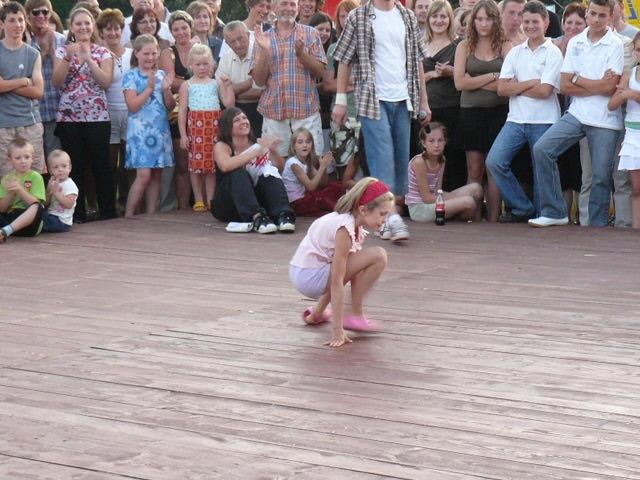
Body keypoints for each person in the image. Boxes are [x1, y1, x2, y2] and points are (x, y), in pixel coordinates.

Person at [331, 0, 431, 241]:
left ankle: (382, 218)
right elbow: (344, 59)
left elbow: (417, 61)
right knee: (382, 158)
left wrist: (424, 101)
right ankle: (392, 218)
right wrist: (341, 100)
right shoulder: (358, 16)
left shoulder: (407, 17)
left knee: (399, 162)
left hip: (404, 99)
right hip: (372, 100)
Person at [530, 0, 623, 228]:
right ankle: (554, 211)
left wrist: (578, 78)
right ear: (587, 13)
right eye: (593, 14)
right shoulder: (575, 42)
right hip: (576, 114)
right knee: (542, 149)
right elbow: (565, 85)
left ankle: (597, 226)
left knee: (600, 177)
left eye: (602, 15)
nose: (597, 19)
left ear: (610, 17)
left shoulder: (616, 44)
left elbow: (609, 88)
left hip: (605, 120)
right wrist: (597, 84)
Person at [289, 177, 393, 348]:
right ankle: (353, 316)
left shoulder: (350, 222)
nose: (384, 219)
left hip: (303, 271)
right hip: (309, 276)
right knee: (378, 256)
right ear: (363, 209)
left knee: (351, 266)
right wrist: (337, 330)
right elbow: (337, 282)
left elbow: (344, 274)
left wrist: (316, 314)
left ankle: (320, 314)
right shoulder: (344, 229)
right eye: (382, 214)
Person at [485, 0, 563, 223]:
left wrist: (517, 87)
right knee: (495, 161)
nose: (530, 26)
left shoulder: (553, 53)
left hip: (545, 120)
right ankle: (524, 207)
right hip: (516, 120)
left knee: (541, 170)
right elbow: (502, 89)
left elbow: (545, 91)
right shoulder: (515, 52)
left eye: (535, 21)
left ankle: (544, 214)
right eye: (526, 21)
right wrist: (531, 82)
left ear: (546, 22)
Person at [52, 7, 115, 223]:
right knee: (75, 166)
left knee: (101, 165)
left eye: (87, 23)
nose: (83, 27)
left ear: (93, 25)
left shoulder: (102, 52)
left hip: (97, 117)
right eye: (78, 23)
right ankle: (76, 214)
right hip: (69, 118)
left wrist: (89, 59)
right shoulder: (62, 51)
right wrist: (69, 58)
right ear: (71, 27)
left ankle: (107, 212)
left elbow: (105, 82)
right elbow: (57, 82)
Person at [453, 0, 511, 222]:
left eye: (488, 18)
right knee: (475, 170)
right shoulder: (464, 46)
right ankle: (474, 218)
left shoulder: (505, 46)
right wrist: (493, 76)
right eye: (479, 19)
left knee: (494, 167)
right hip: (471, 113)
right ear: (473, 21)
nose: (483, 23)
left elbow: (507, 85)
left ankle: (494, 219)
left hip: (499, 112)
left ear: (496, 20)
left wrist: (474, 81)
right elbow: (459, 83)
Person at [251, 0, 327, 157]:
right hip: (274, 111)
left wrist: (302, 55)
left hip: (306, 111)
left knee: (312, 162)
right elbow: (258, 80)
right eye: (284, 4)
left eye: (292, 4)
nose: (289, 8)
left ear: (297, 8)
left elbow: (320, 72)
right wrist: (265, 51)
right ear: (274, 7)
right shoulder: (263, 37)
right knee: (276, 164)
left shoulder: (310, 33)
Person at [212, 107, 296, 233]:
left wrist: (272, 150)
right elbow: (225, 165)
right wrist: (255, 152)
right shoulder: (222, 145)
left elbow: (280, 168)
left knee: (269, 173)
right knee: (238, 172)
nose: (243, 121)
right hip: (229, 204)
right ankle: (257, 217)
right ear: (228, 126)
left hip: (256, 200)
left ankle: (283, 214)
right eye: (237, 120)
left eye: (244, 118)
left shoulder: (258, 143)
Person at [123, 34, 176, 218]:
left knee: (156, 174)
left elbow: (170, 106)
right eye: (146, 53)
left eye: (154, 53)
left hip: (160, 130)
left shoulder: (161, 75)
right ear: (137, 53)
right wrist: (149, 89)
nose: (150, 57)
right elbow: (132, 105)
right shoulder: (131, 75)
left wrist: (166, 89)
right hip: (140, 132)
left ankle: (151, 215)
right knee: (144, 174)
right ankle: (129, 214)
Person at [178, 44, 234, 212]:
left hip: (213, 129)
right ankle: (198, 199)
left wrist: (228, 87)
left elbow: (228, 104)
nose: (202, 68)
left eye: (205, 64)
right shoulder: (187, 85)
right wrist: (183, 135)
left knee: (211, 166)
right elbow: (182, 111)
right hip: (195, 129)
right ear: (191, 65)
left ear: (211, 64)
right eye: (198, 64)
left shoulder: (216, 83)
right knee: (195, 166)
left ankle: (211, 199)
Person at [421, 0, 465, 191]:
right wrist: (430, 75)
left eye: (443, 16)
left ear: (450, 19)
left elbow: (466, 75)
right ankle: (425, 197)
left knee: (452, 157)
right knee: (425, 156)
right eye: (435, 16)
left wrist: (450, 71)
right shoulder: (421, 44)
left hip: (452, 108)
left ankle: (453, 198)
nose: (439, 21)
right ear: (428, 19)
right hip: (426, 109)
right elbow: (411, 77)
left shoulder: (459, 45)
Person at [0, 2, 45, 178]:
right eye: (12, 20)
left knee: (33, 176)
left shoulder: (33, 54)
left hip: (30, 124)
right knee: (7, 178)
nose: (17, 25)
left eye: (21, 20)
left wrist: (6, 84)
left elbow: (38, 92)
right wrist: (24, 81)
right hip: (3, 125)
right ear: (2, 24)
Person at [406, 122, 483, 222]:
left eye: (440, 140)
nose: (436, 145)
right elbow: (427, 198)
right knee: (469, 202)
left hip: (434, 201)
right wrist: (455, 199)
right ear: (424, 143)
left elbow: (438, 190)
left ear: (445, 142)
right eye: (431, 141)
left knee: (476, 188)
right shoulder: (419, 162)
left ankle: (470, 219)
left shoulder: (442, 159)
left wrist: (453, 199)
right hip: (420, 209)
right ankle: (453, 218)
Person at [159, 10, 196, 211]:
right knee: (182, 164)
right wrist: (196, 82)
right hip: (176, 113)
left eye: (184, 28)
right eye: (176, 29)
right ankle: (183, 208)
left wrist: (185, 83)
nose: (181, 32)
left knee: (200, 162)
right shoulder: (168, 53)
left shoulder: (200, 49)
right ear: (171, 32)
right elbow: (170, 81)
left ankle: (201, 202)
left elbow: (209, 74)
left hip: (200, 112)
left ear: (190, 28)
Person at [98, 8, 133, 213]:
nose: (113, 33)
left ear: (122, 30)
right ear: (101, 32)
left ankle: (127, 202)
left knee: (128, 162)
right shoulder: (99, 54)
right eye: (108, 29)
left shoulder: (131, 54)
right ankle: (109, 205)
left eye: (116, 28)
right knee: (110, 162)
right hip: (108, 112)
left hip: (130, 112)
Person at [25, 0, 66, 159]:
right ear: (28, 15)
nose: (41, 16)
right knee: (32, 161)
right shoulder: (25, 41)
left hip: (58, 110)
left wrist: (52, 52)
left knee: (56, 161)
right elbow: (25, 75)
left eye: (45, 11)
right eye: (36, 12)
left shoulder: (62, 40)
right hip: (32, 113)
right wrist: (44, 52)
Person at [609, 31, 640, 227]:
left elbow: (631, 95)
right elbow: (612, 105)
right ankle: (636, 228)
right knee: (636, 188)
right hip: (633, 135)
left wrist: (632, 94)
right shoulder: (629, 74)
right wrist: (623, 94)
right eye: (639, 49)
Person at [282, 127, 346, 216]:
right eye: (300, 142)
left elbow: (323, 183)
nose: (305, 145)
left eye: (308, 142)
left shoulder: (307, 160)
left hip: (305, 197)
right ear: (294, 147)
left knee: (337, 186)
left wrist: (324, 167)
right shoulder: (293, 163)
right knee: (324, 198)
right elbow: (311, 186)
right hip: (296, 203)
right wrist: (322, 167)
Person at [217, 22, 264, 135]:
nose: (238, 45)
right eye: (232, 41)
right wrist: (250, 82)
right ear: (227, 43)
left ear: (248, 35)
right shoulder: (226, 58)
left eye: (240, 39)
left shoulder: (262, 53)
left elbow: (263, 91)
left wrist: (233, 92)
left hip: (261, 109)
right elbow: (222, 92)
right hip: (236, 110)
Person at [0, 137, 45, 242]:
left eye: (27, 157)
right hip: (9, 218)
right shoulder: (6, 179)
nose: (23, 161)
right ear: (10, 160)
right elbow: (2, 209)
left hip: (29, 224)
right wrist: (10, 193)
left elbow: (35, 203)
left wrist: (20, 190)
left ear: (32, 158)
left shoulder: (36, 177)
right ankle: (5, 231)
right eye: (18, 158)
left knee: (38, 206)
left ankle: (6, 231)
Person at [309, 12, 335, 154]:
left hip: (329, 109)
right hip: (313, 110)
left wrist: (320, 86)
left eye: (328, 30)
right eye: (320, 29)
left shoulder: (332, 51)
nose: (324, 33)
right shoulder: (307, 51)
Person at [42, 149, 78, 233]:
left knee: (37, 218)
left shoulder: (70, 184)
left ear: (70, 168)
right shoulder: (52, 182)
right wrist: (49, 192)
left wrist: (56, 193)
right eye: (56, 167)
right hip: (51, 215)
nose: (60, 169)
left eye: (64, 166)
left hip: (62, 221)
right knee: (37, 212)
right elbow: (46, 203)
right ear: (50, 170)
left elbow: (69, 204)